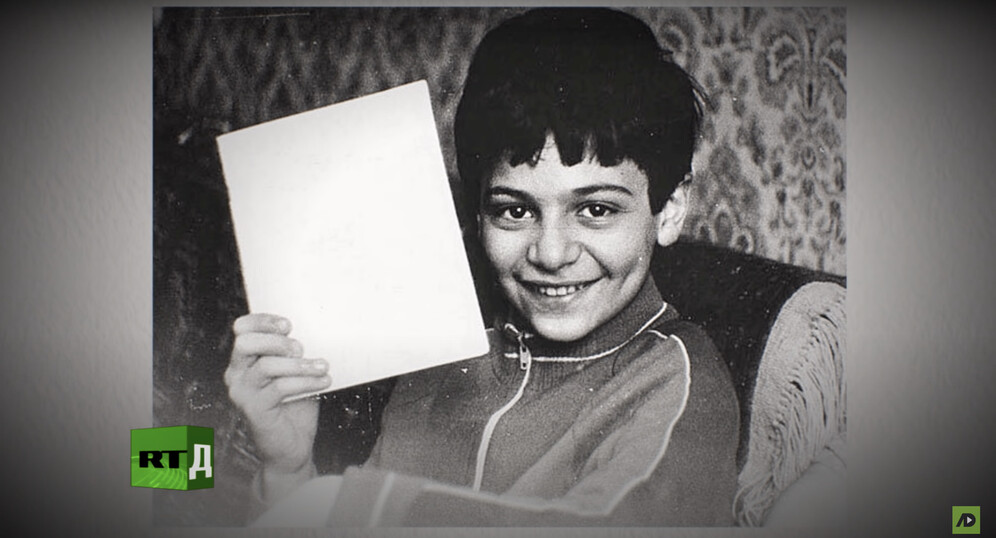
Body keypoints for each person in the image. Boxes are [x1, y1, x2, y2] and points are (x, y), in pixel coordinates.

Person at [224, 7, 740, 526]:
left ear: (670, 209)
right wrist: (288, 471)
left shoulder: (678, 382)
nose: (551, 254)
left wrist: (351, 505)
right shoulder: (440, 352)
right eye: (515, 211)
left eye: (596, 210)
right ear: (477, 215)